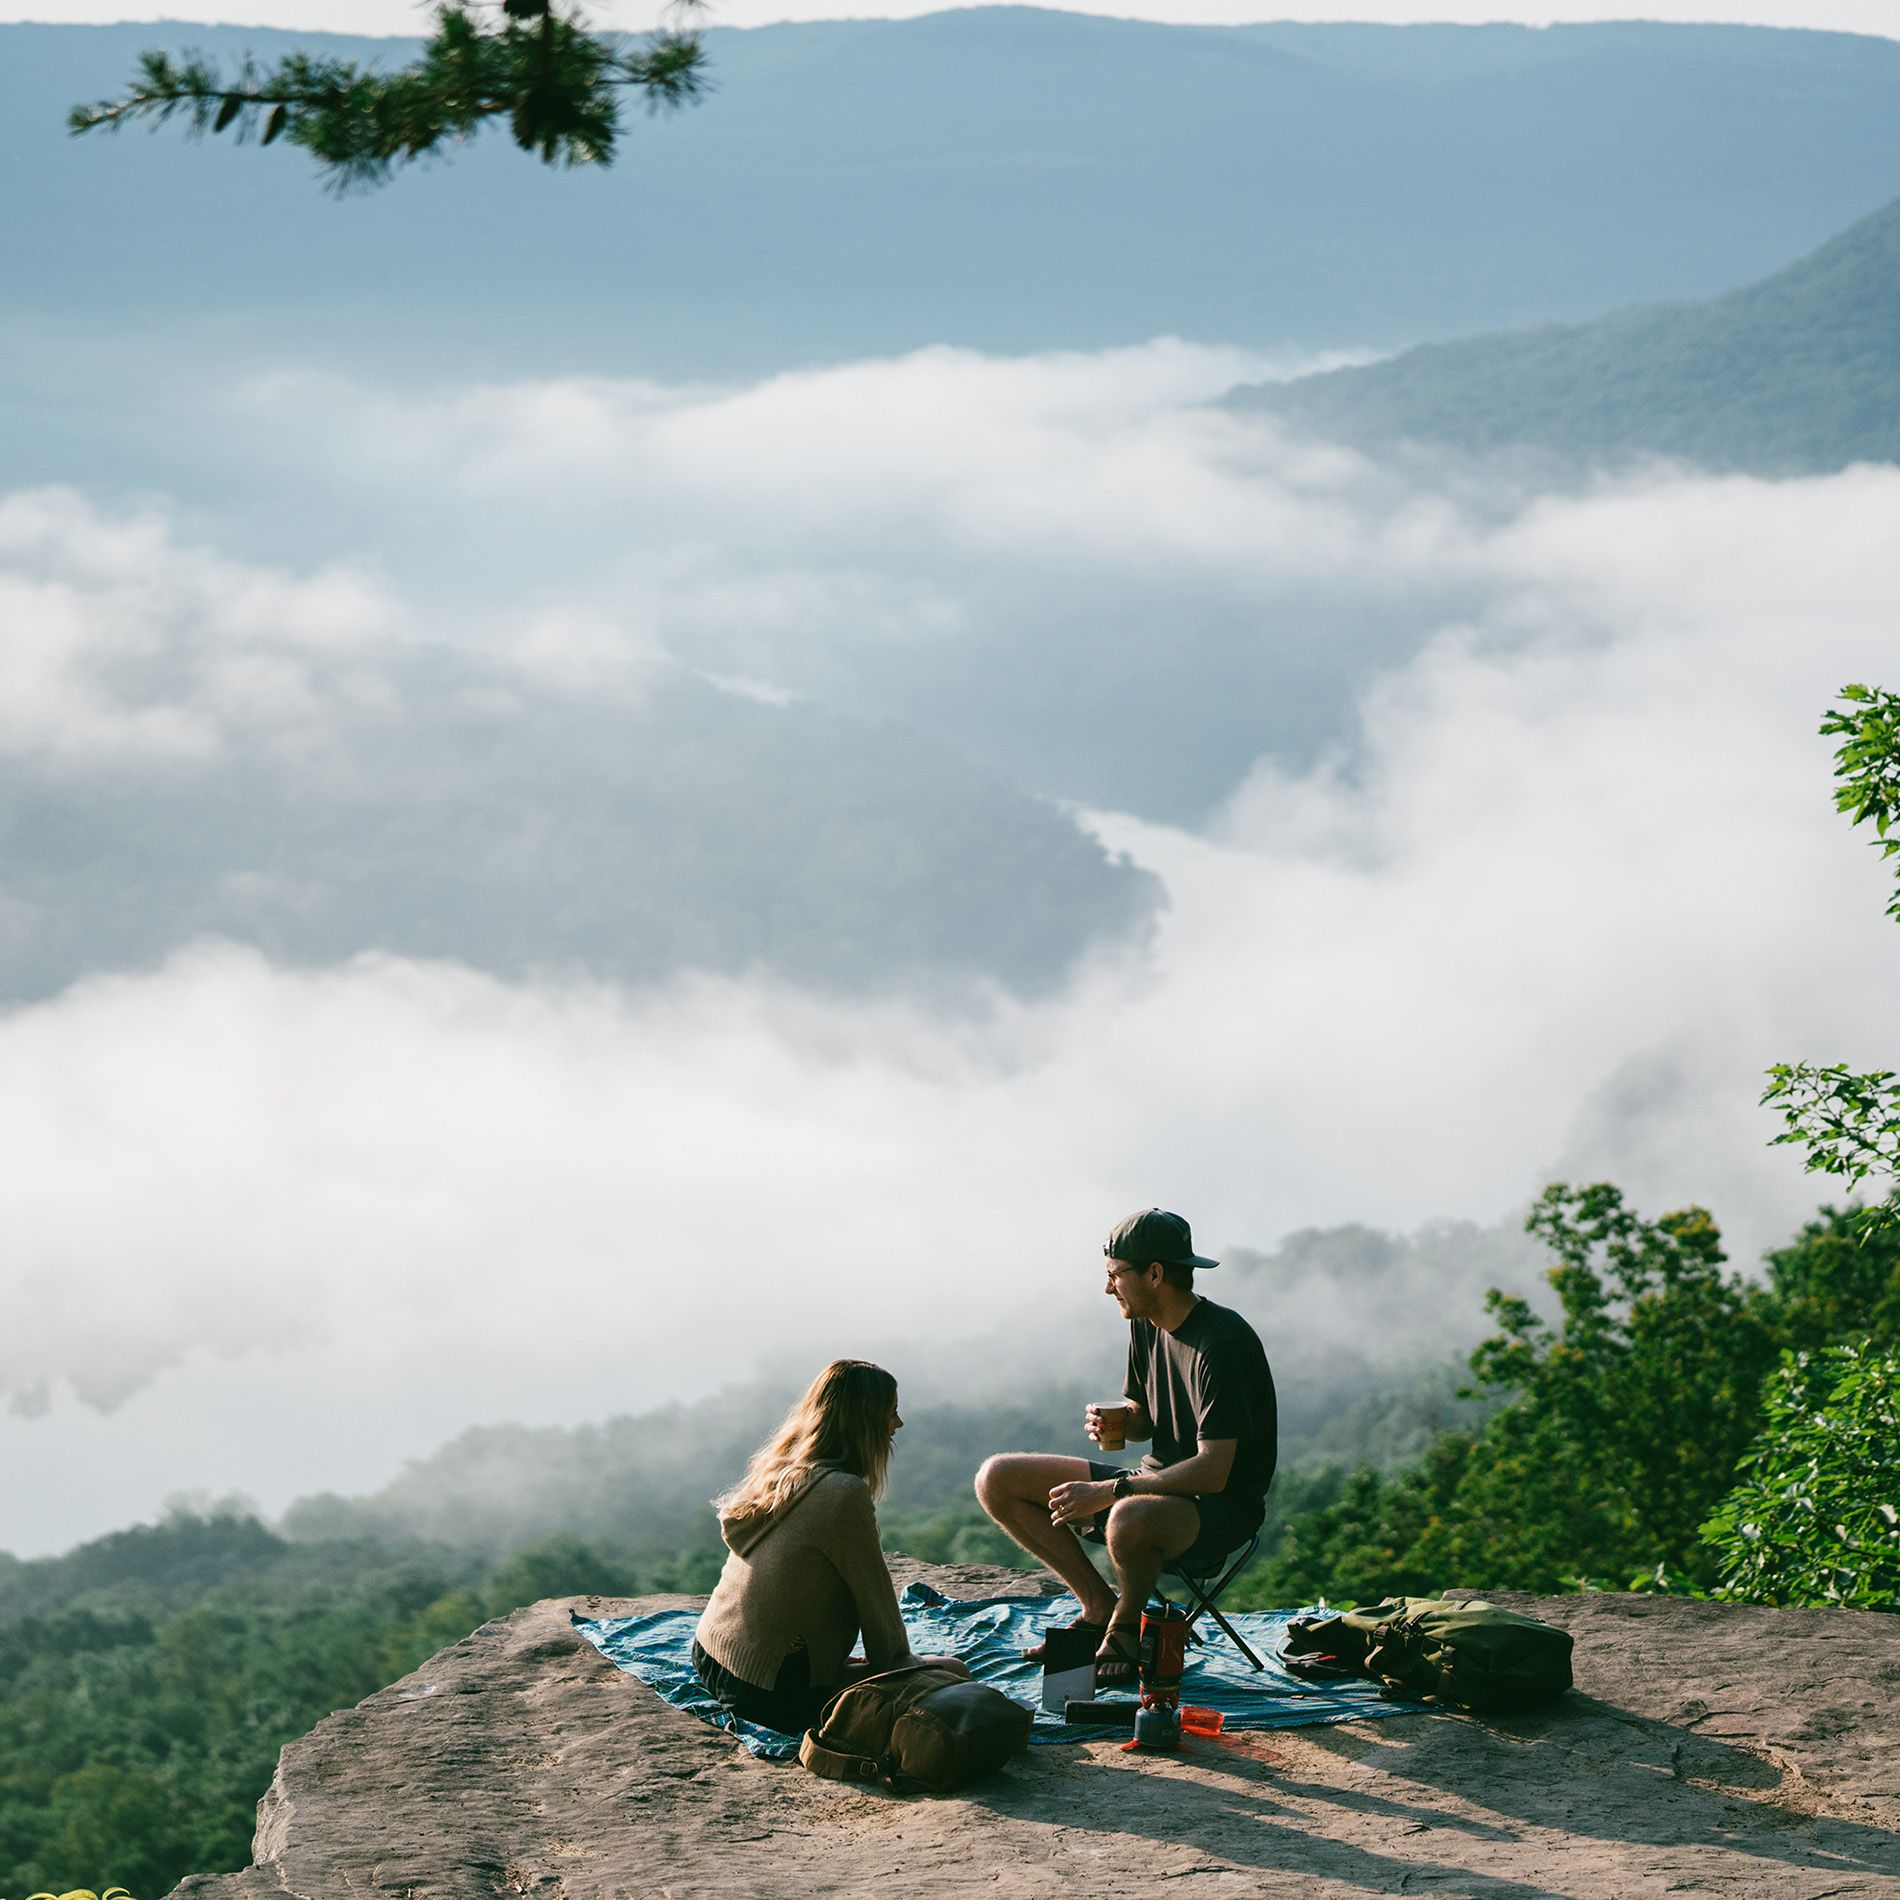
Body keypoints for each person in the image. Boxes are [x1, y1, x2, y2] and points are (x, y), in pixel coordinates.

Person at [974, 1208, 1277, 1685]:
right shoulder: (1146, 1321)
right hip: (1151, 1486)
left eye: (1115, 1275)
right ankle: (1098, 1606)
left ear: (1155, 1274)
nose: (1107, 1288)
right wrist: (1118, 1423)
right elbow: (1143, 1419)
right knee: (997, 1478)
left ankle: (1125, 1627)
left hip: (1219, 1509)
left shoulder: (1223, 1344)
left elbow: (1214, 1471)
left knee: (1127, 1516)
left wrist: (1110, 1492)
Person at [693, 1357, 966, 1734]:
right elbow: (876, 1603)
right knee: (953, 1672)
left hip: (712, 1653)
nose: (898, 1424)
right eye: (891, 1413)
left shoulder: (784, 1470)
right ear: (865, 1422)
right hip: (766, 1689)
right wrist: (902, 1666)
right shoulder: (842, 1493)